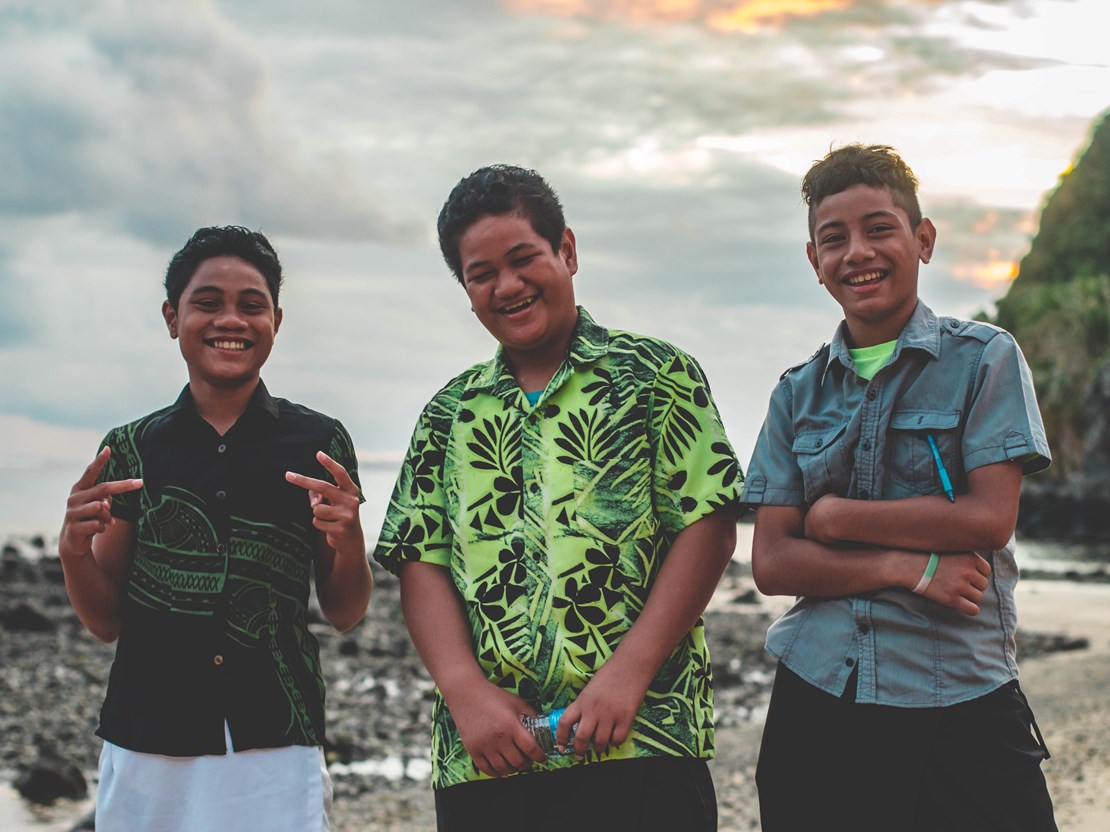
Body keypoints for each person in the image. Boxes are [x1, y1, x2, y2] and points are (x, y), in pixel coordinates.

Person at [374, 165, 742, 831]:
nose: (507, 286)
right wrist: (465, 693)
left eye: (523, 259)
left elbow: (708, 526)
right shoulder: (447, 414)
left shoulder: (657, 377)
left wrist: (628, 673)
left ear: (566, 251)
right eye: (481, 274)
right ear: (466, 289)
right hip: (490, 755)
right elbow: (419, 560)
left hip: (643, 742)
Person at [742, 144, 1057, 831]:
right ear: (814, 261)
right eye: (835, 238)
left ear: (923, 240)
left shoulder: (985, 360)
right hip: (821, 690)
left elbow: (987, 517)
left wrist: (832, 517)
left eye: (879, 228)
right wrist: (906, 568)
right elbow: (771, 562)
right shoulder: (796, 394)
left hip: (960, 689)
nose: (858, 252)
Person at [57, 226, 373, 832]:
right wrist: (73, 551)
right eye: (208, 302)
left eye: (251, 305)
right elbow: (105, 621)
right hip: (148, 735)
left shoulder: (319, 443)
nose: (232, 319)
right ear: (173, 317)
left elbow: (345, 610)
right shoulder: (130, 449)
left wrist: (349, 536)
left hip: (275, 739)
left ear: (276, 320)